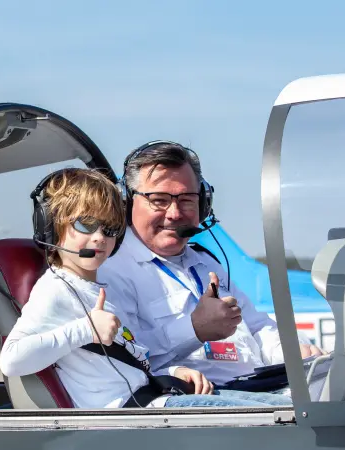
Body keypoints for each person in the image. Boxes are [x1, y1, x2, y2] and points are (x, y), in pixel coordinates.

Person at [0, 167, 292, 408]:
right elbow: (12, 359)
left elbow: (135, 360)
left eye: (110, 229)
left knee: (284, 408)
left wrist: (172, 371)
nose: (100, 238)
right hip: (129, 414)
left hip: (154, 398)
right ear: (51, 227)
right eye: (86, 225)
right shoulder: (56, 289)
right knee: (273, 419)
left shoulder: (102, 290)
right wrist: (84, 330)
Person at [97, 141, 325, 396]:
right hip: (204, 401)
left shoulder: (205, 262)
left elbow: (257, 326)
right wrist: (194, 329)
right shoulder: (110, 270)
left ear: (203, 204)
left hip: (258, 389)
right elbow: (126, 356)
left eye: (186, 200)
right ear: (127, 203)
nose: (174, 213)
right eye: (159, 200)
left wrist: (292, 351)